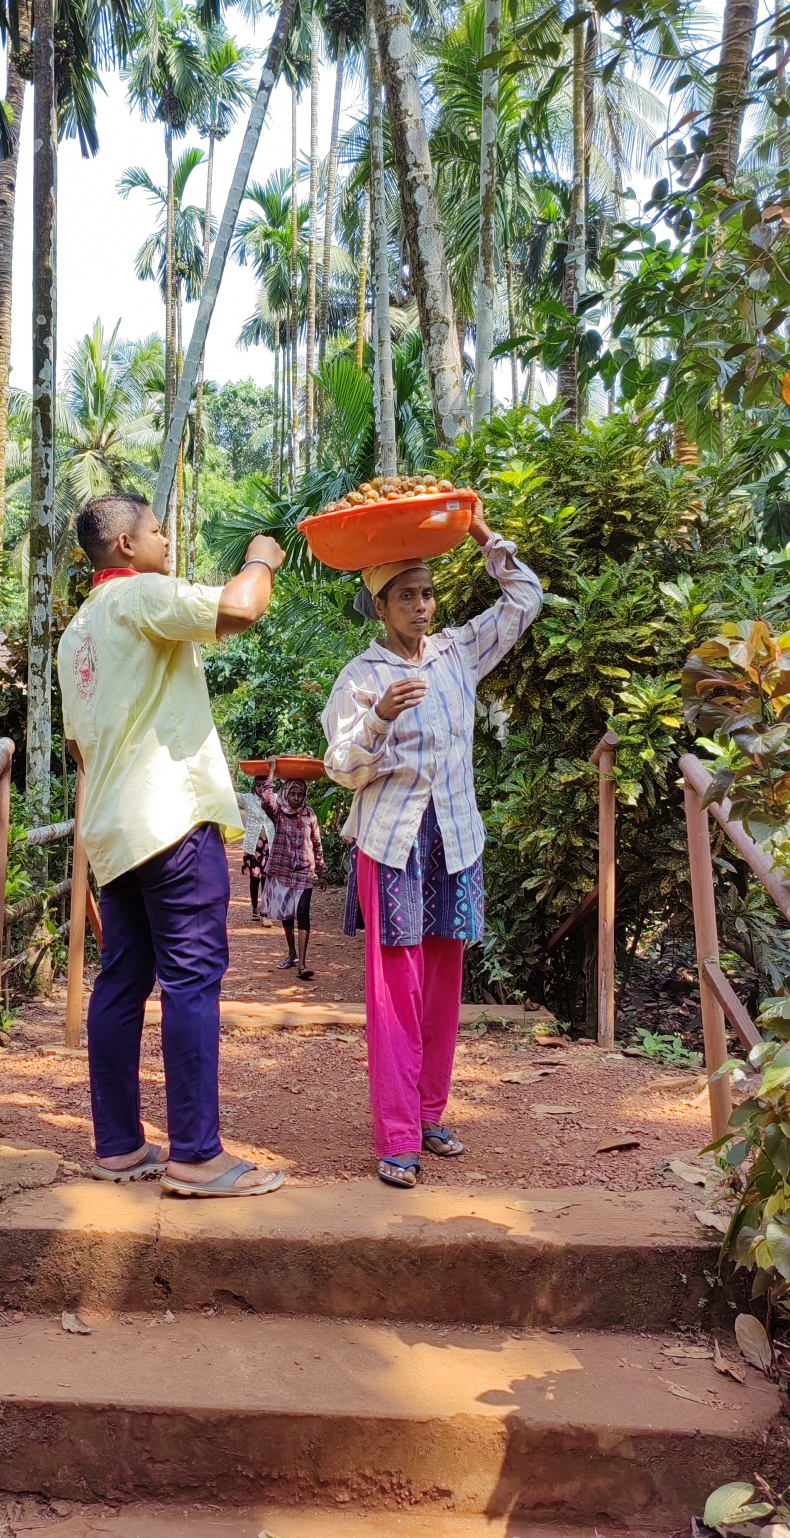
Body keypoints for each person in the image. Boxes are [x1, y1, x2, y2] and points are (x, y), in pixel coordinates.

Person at [56, 493, 287, 1198]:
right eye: (156, 531)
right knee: (191, 977)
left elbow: (76, 746)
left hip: (114, 828)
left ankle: (120, 1146)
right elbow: (243, 607)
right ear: (125, 546)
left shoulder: (76, 635)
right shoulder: (142, 596)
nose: (166, 540)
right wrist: (261, 556)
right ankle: (196, 1154)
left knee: (123, 978)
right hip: (170, 819)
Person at [321, 499, 542, 1187]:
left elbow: (524, 597)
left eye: (426, 594)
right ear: (380, 607)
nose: (421, 607)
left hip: (454, 836)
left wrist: (477, 529)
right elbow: (341, 768)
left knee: (444, 984)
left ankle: (427, 1114)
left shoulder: (457, 652)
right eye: (405, 597)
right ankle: (394, 1139)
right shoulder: (361, 677)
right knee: (396, 990)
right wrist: (380, 720)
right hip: (391, 844)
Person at [259, 765, 326, 977]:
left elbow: (316, 843)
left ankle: (302, 965)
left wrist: (322, 870)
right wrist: (271, 772)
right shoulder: (279, 812)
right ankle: (292, 953)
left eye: (301, 794)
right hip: (282, 869)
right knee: (287, 914)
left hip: (305, 871)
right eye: (293, 794)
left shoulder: (310, 815)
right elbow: (266, 801)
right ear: (286, 793)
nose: (297, 798)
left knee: (302, 912)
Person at [237, 776, 274, 924]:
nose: (260, 788)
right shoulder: (247, 799)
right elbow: (231, 795)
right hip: (254, 845)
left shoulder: (274, 799)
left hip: (269, 844)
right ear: (254, 786)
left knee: (266, 878)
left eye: (263, 786)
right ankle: (254, 909)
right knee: (254, 878)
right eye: (258, 785)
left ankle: (264, 912)